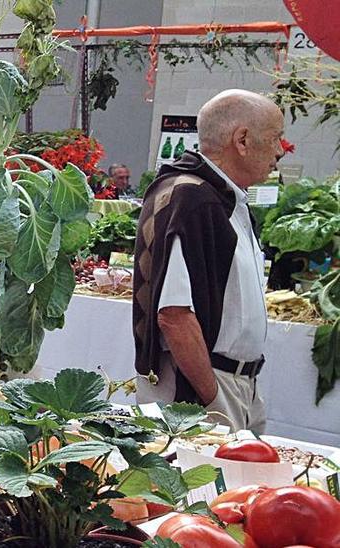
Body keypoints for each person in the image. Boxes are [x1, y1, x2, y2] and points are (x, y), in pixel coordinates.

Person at [133, 89, 284, 433]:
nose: (280, 151)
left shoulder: (215, 196)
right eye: (276, 138)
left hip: (233, 382)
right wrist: (214, 399)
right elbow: (174, 316)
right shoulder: (193, 199)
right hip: (204, 387)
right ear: (242, 140)